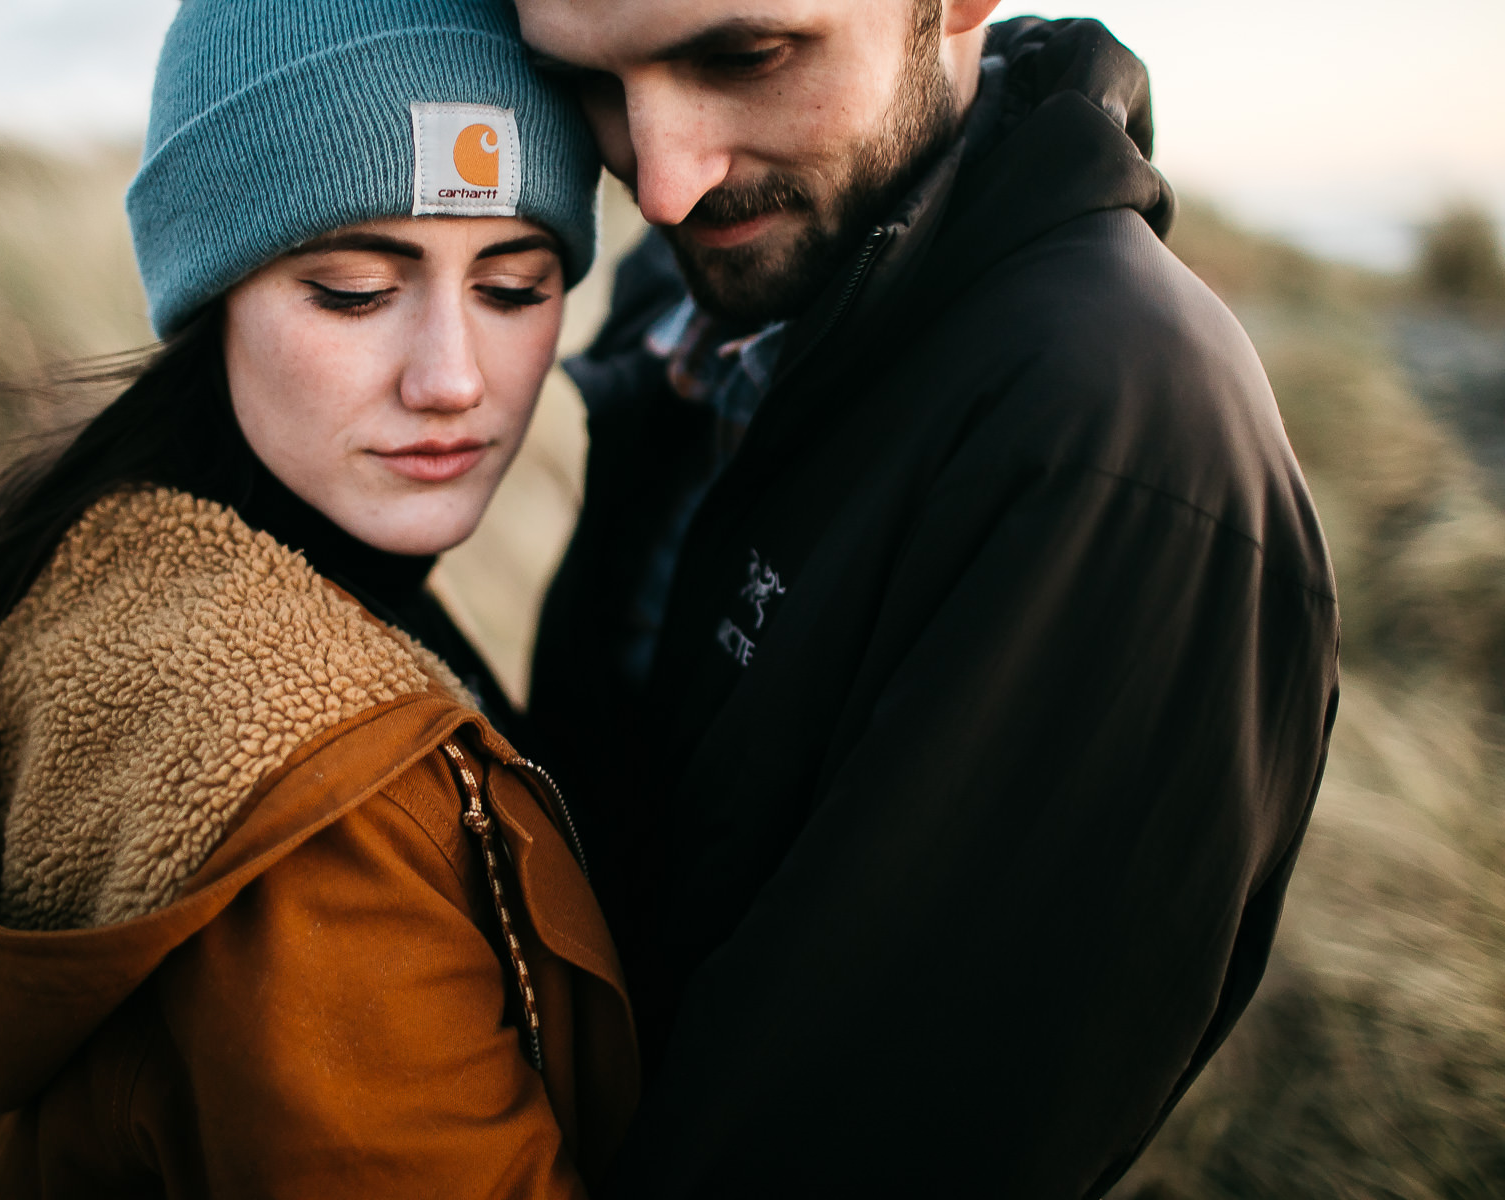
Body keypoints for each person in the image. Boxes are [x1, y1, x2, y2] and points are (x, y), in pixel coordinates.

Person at [515, 1, 1340, 1196]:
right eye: (586, 83)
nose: (660, 181)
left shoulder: (1124, 450)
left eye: (743, 56)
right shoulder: (695, 292)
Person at [0, 1, 636, 1194]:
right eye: (350, 291)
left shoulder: (136, 567)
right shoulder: (318, 802)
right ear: (209, 294)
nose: (451, 380)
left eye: (514, 286)